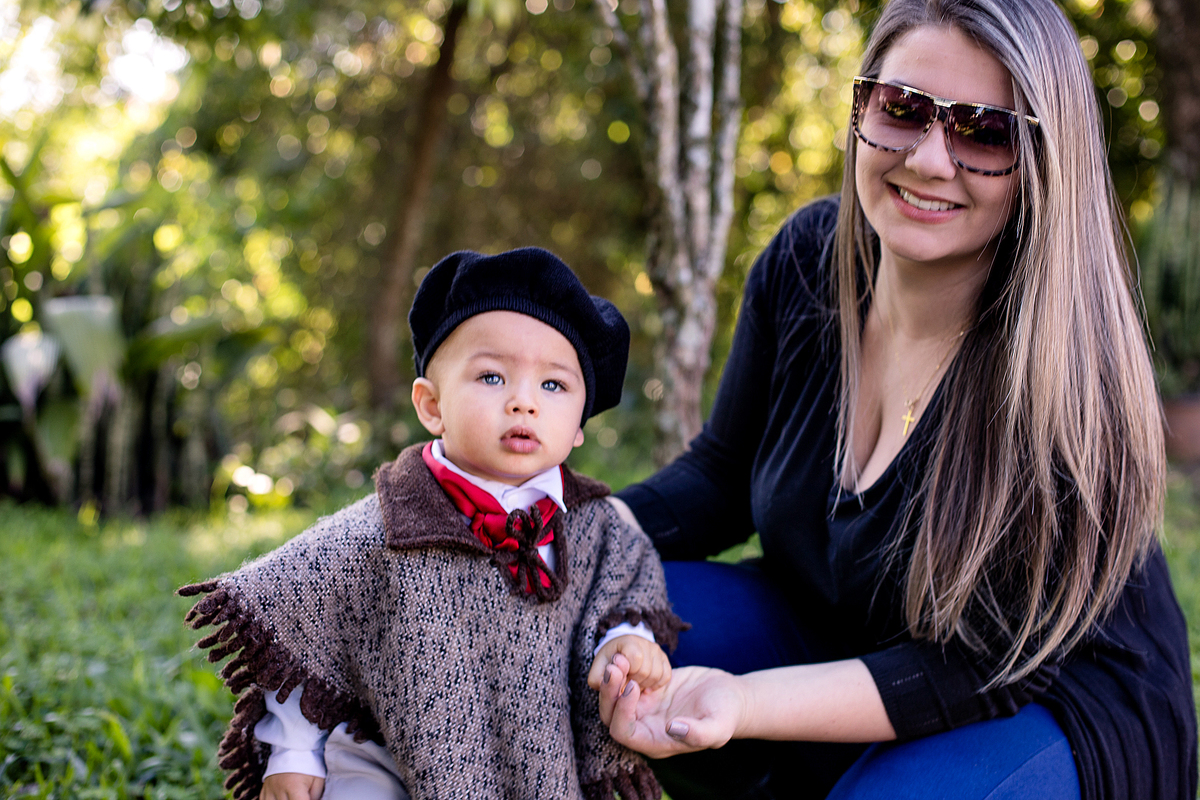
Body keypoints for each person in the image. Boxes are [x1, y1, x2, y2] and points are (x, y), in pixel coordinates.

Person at [595, 0, 1198, 798]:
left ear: (1044, 161)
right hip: (845, 635)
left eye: (985, 132)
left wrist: (743, 701)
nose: (929, 159)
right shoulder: (807, 261)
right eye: (903, 109)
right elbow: (721, 477)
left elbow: (980, 666)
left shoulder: (1065, 368)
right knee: (596, 615)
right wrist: (558, 529)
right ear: (862, 108)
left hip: (1043, 699)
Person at [179, 247, 685, 800]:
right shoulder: (384, 527)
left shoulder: (593, 527)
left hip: (535, 756)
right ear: (431, 406)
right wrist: (293, 750)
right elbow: (310, 628)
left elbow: (624, 589)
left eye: (553, 386)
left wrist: (627, 640)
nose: (523, 402)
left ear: (580, 423)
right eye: (491, 376)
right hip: (381, 751)